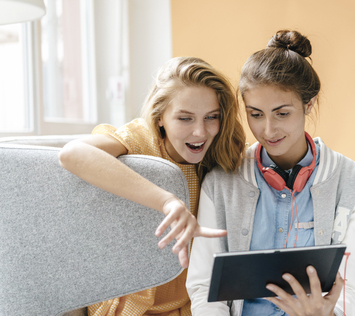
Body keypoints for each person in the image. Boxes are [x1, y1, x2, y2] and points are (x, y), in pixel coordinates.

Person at [186, 30, 355, 316]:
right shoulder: (221, 182)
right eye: (256, 114)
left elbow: (350, 288)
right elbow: (203, 286)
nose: (268, 130)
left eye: (282, 113)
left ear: (308, 104)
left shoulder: (353, 183)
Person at [58, 57, 246, 316]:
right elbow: (72, 154)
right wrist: (167, 201)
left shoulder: (222, 152)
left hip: (192, 303)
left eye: (211, 117)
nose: (201, 132)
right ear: (160, 118)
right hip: (131, 304)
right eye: (185, 119)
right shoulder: (142, 141)